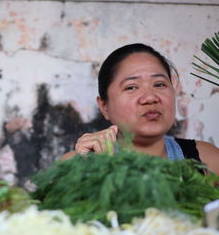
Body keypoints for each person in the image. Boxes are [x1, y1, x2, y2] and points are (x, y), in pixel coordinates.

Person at [62, 43, 219, 175]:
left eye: (159, 84)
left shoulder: (208, 161)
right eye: (131, 87)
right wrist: (95, 172)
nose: (150, 97)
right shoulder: (74, 167)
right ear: (104, 106)